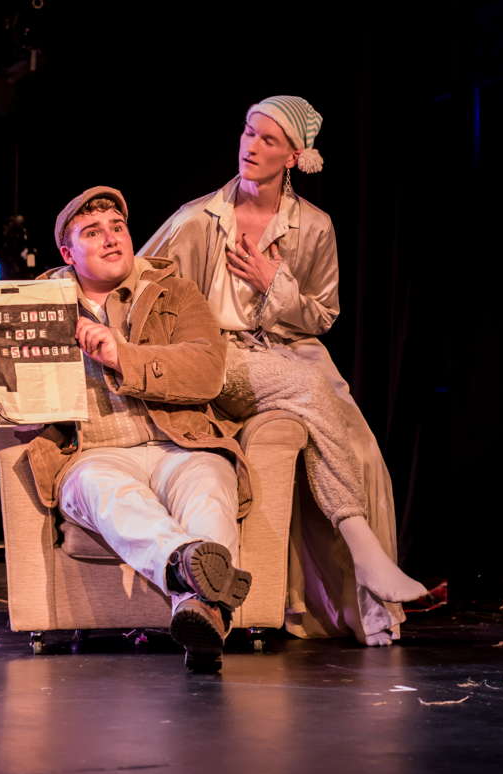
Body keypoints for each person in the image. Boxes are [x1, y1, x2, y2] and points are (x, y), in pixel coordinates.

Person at [139, 96, 426, 646]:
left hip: (291, 351)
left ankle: (368, 608)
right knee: (311, 389)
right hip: (217, 359)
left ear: (294, 155)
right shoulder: (197, 219)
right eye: (249, 132)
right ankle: (363, 564)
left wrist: (276, 281)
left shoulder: (314, 227)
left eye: (269, 140)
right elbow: (139, 279)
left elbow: (322, 315)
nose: (251, 145)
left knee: (360, 450)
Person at [0, 185, 252, 671]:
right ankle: (190, 577)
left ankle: (199, 612)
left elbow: (206, 372)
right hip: (94, 454)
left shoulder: (174, 290)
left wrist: (120, 354)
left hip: (181, 444)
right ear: (68, 253)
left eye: (118, 227)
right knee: (102, 489)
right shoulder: (31, 303)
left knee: (211, 483)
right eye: (93, 232)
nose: (112, 239)